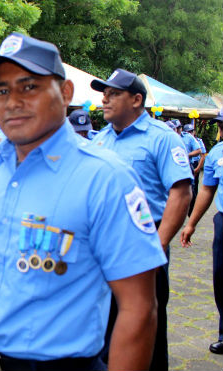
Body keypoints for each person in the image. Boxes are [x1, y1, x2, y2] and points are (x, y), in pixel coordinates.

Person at [0, 32, 167, 371]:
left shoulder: (106, 179)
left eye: (29, 87)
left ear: (65, 92)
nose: (12, 102)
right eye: (1, 91)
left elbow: (138, 308)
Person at [91, 68, 193, 370]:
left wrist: (157, 247)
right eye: (104, 94)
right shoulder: (100, 140)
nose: (105, 100)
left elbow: (181, 192)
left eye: (113, 94)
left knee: (145, 326)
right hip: (103, 246)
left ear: (136, 99)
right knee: (106, 322)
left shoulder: (162, 138)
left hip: (143, 242)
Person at [180, 113, 223, 355]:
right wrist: (192, 223)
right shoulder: (217, 153)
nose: (220, 128)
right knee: (221, 278)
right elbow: (207, 190)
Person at [183, 123, 207, 216]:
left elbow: (202, 155)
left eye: (191, 131)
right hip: (187, 164)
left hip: (194, 164)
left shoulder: (198, 141)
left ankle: (192, 210)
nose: (190, 133)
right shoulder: (182, 139)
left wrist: (198, 169)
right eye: (188, 131)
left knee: (194, 188)